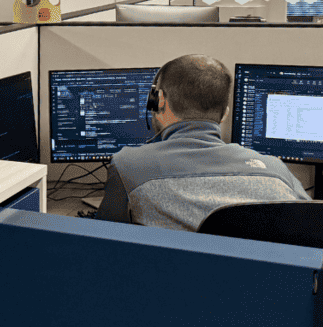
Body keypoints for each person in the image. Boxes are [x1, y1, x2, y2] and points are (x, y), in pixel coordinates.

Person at [97, 54, 309, 231]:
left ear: (159, 100)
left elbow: (104, 239)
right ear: (225, 114)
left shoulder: (128, 166)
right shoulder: (276, 171)